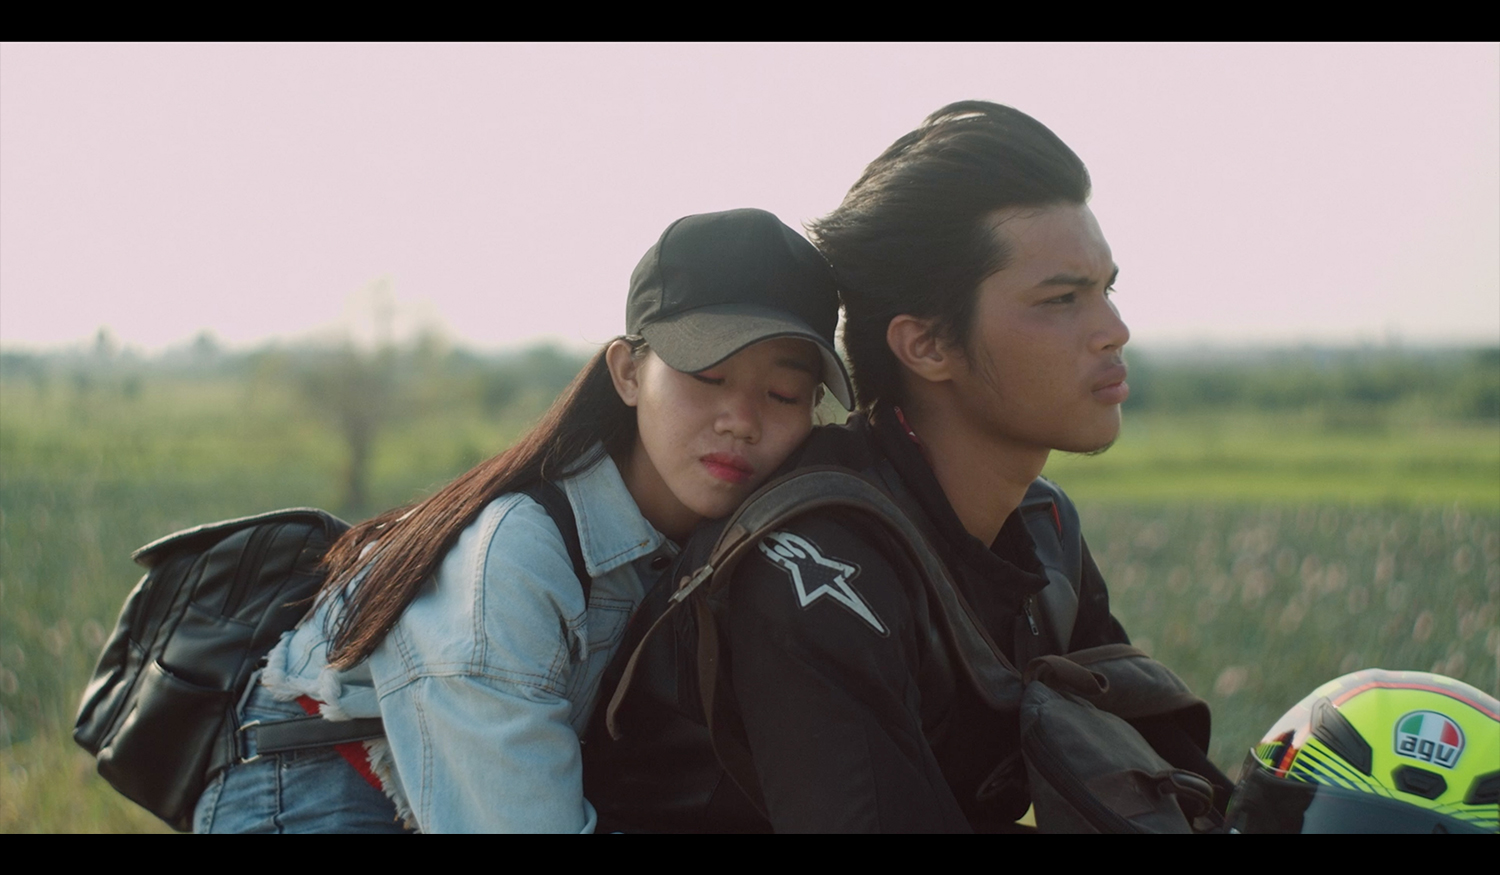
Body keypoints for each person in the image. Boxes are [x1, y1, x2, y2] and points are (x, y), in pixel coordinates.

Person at [585, 101, 1231, 832]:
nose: (1114, 331)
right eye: (1061, 299)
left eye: (1106, 290)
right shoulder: (814, 570)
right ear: (926, 345)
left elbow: (1173, 775)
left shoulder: (1043, 528)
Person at [192, 208, 853, 833]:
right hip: (319, 787)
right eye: (708, 376)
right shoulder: (513, 559)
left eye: (784, 393)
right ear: (628, 372)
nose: (742, 420)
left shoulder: (771, 545)